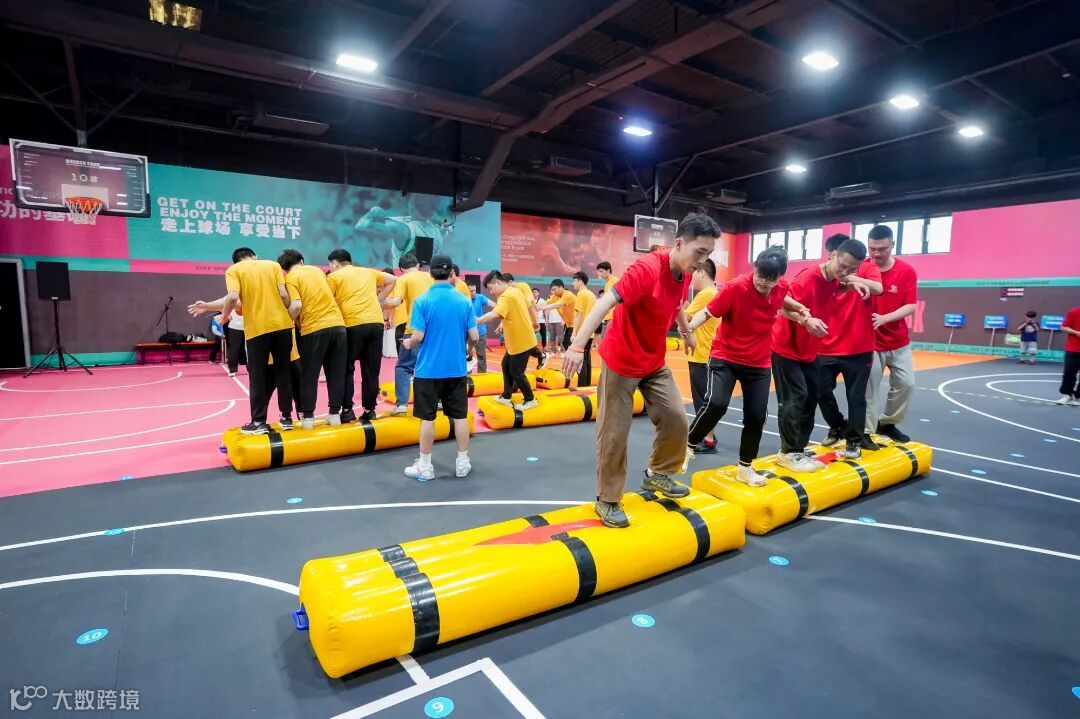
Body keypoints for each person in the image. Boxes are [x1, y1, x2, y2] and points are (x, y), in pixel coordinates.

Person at [563, 213, 721, 528]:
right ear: (679, 244)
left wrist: (686, 331)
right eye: (699, 252)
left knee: (676, 418)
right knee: (614, 433)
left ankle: (658, 473)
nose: (702, 261)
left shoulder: (685, 273)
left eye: (708, 254)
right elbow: (604, 303)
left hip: (653, 361)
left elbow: (676, 305)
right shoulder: (646, 270)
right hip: (622, 361)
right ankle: (607, 500)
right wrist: (577, 346)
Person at [686, 249, 813, 485]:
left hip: (759, 362)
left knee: (756, 416)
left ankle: (745, 468)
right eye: (760, 276)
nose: (763, 283)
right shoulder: (735, 288)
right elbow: (706, 312)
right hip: (726, 357)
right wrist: (690, 329)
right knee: (716, 403)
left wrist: (800, 310)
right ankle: (688, 444)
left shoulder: (780, 287)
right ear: (755, 268)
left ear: (780, 277)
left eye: (770, 280)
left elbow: (780, 300)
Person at [772, 238, 864, 472]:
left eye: (851, 270)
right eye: (842, 266)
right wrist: (805, 320)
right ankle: (788, 452)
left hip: (810, 351)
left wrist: (851, 284)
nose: (845, 273)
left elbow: (834, 287)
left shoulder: (835, 280)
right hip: (786, 348)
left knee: (812, 397)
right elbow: (780, 305)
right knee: (795, 398)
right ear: (832, 255)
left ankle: (798, 449)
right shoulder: (807, 278)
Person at [188, 247, 295, 434]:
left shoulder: (234, 270)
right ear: (254, 256)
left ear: (236, 261)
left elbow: (232, 297)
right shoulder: (273, 265)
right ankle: (287, 418)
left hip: (257, 330)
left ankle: (259, 422)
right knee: (283, 373)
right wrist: (286, 314)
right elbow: (284, 294)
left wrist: (224, 316)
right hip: (283, 327)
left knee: (258, 377)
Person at [401, 255, 479, 481]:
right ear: (451, 273)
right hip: (457, 370)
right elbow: (474, 336)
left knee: (428, 418)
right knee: (460, 417)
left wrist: (408, 343)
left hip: (428, 370)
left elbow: (418, 336)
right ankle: (462, 463)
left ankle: (425, 466)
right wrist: (468, 349)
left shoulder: (422, 300)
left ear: (430, 273)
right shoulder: (464, 301)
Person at [816, 234, 883, 459]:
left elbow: (878, 288)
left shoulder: (866, 269)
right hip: (826, 347)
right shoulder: (823, 274)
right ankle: (837, 425)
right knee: (819, 390)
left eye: (849, 266)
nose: (842, 269)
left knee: (856, 396)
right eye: (838, 262)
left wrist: (855, 279)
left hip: (858, 347)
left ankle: (854, 440)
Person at [278, 249, 348, 429]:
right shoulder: (317, 270)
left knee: (309, 375)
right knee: (336, 373)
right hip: (338, 326)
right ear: (301, 261)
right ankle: (334, 414)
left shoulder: (290, 278)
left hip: (314, 328)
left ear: (284, 269)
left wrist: (289, 321)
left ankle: (308, 417)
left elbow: (297, 305)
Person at [326, 249, 397, 423]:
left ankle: (347, 410)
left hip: (352, 324)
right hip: (376, 323)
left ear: (335, 263)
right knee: (371, 370)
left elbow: (327, 300)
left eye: (330, 265)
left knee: (347, 368)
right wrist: (378, 299)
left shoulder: (334, 277)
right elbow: (392, 279)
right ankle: (369, 410)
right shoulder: (367, 271)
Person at [865, 225, 919, 442]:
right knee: (869, 389)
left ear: (893, 245)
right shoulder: (861, 268)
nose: (876, 254)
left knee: (907, 384)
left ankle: (887, 423)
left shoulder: (906, 271)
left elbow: (911, 305)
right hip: (868, 343)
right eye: (872, 249)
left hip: (898, 341)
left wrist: (884, 318)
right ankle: (866, 432)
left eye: (882, 249)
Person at [478, 270, 538, 411]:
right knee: (505, 365)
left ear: (497, 283)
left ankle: (530, 399)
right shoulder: (515, 291)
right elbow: (527, 307)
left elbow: (495, 314)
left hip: (521, 342)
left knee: (516, 372)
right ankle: (506, 396)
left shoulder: (506, 297)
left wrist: (478, 320)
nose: (491, 292)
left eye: (491, 288)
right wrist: (534, 322)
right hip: (519, 340)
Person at [383, 253, 434, 415]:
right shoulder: (431, 277)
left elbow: (395, 302)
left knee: (404, 367)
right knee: (429, 365)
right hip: (433, 330)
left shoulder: (403, 279)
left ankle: (402, 405)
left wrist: (377, 301)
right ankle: (435, 401)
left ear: (402, 269)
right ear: (418, 265)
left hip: (413, 328)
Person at [683, 258, 720, 454]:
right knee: (705, 399)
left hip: (701, 354)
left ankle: (707, 439)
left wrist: (677, 305)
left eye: (694, 272)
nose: (692, 277)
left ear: (702, 272)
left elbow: (684, 318)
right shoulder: (713, 293)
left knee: (702, 400)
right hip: (705, 352)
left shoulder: (706, 294)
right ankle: (708, 436)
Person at [503, 273, 546, 369]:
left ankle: (541, 355)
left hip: (529, 319)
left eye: (505, 285)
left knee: (525, 344)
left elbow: (529, 300)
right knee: (523, 343)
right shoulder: (511, 292)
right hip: (521, 319)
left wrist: (534, 322)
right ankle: (540, 355)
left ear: (510, 282)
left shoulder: (522, 285)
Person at [569, 271, 596, 387]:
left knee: (581, 361)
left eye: (574, 281)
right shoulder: (591, 294)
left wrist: (574, 333)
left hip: (582, 332)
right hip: (590, 332)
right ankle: (586, 385)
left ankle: (582, 386)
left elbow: (579, 315)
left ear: (580, 281)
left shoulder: (581, 294)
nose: (573, 283)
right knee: (587, 359)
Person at [537, 280, 576, 352]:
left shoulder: (568, 295)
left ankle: (576, 357)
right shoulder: (555, 296)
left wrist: (542, 308)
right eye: (552, 290)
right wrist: (535, 306)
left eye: (555, 289)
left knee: (569, 343)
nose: (553, 292)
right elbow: (546, 303)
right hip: (569, 324)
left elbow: (557, 305)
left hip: (576, 323)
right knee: (566, 343)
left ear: (561, 287)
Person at [467, 281, 494, 373]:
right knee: (467, 356)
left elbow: (494, 305)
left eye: (474, 290)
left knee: (481, 356)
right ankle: (467, 377)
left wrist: (484, 318)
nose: (473, 293)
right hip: (466, 334)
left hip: (481, 332)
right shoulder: (462, 300)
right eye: (471, 291)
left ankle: (482, 376)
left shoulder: (480, 297)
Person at [1056, 305, 1080, 405]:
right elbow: (1063, 327)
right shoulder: (1074, 312)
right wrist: (1076, 332)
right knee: (1068, 373)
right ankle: (1067, 395)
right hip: (1073, 348)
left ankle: (1078, 397)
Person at [596, 261, 619, 337]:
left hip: (613, 316)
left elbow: (617, 301)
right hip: (608, 316)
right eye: (599, 272)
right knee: (604, 337)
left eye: (601, 271)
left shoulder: (615, 281)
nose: (600, 274)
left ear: (608, 270)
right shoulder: (607, 283)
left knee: (609, 338)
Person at [223, 303, 247, 377]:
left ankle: (249, 369)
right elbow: (224, 310)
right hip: (234, 328)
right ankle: (232, 370)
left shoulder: (247, 300)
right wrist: (227, 316)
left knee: (247, 349)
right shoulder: (231, 301)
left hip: (246, 328)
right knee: (233, 349)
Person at [532, 288, 547, 352]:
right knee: (532, 335)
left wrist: (546, 319)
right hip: (533, 321)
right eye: (533, 292)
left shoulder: (542, 301)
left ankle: (544, 346)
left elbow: (545, 310)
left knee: (543, 334)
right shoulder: (530, 301)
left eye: (536, 292)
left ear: (538, 293)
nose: (534, 293)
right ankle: (532, 347)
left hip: (541, 321)